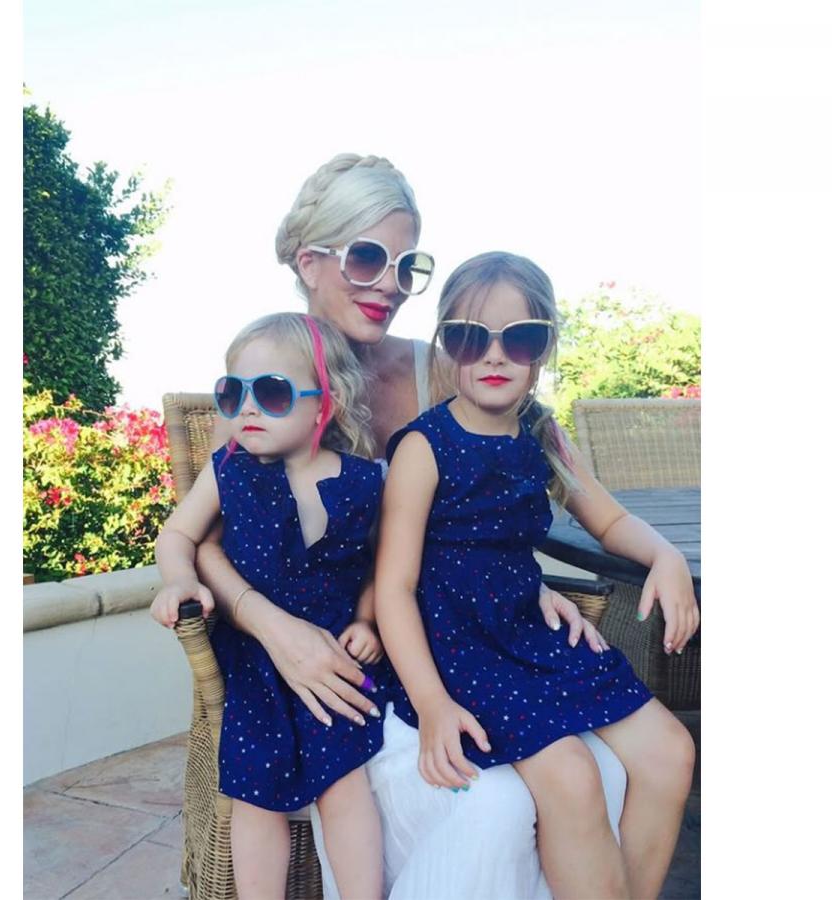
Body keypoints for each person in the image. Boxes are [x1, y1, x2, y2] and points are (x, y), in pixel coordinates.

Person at [186, 153, 630, 899]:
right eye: (368, 258)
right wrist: (273, 627)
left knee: (606, 770)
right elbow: (203, 540)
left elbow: (499, 497)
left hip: (452, 645)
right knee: (492, 802)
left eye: (407, 265)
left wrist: (519, 581)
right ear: (309, 261)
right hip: (348, 665)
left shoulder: (441, 367)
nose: (390, 284)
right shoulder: (269, 383)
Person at [378, 251, 698, 899]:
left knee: (671, 751)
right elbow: (394, 588)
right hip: (461, 648)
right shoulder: (424, 447)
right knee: (571, 776)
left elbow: (608, 519)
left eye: (519, 338)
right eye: (471, 338)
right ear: (446, 347)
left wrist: (666, 556)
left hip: (528, 633)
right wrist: (434, 704)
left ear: (544, 347)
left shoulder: (542, 434)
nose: (494, 356)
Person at [150, 312, 390, 899]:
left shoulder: (364, 480)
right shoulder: (229, 471)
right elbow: (177, 535)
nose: (248, 409)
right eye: (232, 394)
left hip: (332, 652)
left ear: (325, 403)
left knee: (345, 783)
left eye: (273, 393)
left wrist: (367, 619)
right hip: (254, 656)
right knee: (256, 795)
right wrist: (179, 580)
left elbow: (380, 564)